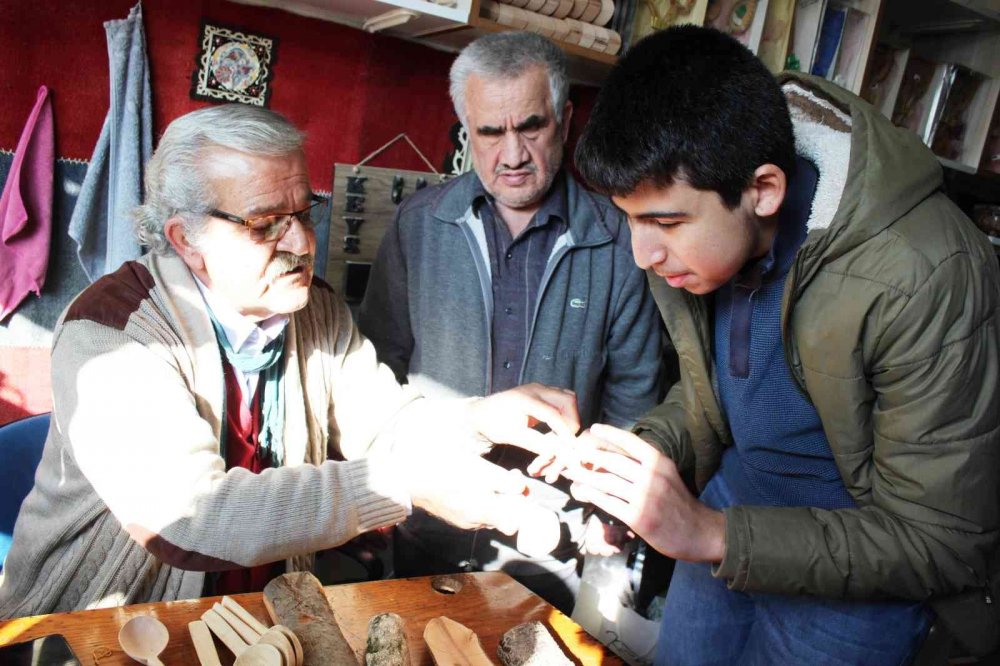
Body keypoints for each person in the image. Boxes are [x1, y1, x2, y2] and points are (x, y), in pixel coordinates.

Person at [0, 104, 583, 619]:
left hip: (264, 617)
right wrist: (404, 484)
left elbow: (385, 424)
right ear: (186, 241)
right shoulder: (113, 332)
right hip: (95, 626)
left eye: (303, 213)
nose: (302, 243)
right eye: (265, 225)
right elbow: (191, 519)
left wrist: (477, 418)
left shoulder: (315, 309)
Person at [565, 25, 1000, 665]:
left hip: (860, 584)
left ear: (764, 190)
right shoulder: (706, 238)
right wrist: (642, 464)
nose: (642, 253)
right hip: (728, 518)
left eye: (665, 223)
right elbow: (724, 392)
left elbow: (940, 541)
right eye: (629, 218)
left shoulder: (927, 274)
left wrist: (711, 534)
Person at [358, 31, 663, 613]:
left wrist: (609, 508)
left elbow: (636, 394)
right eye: (490, 133)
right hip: (431, 517)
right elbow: (376, 371)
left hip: (552, 533)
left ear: (566, 120)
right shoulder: (419, 225)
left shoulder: (620, 240)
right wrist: (386, 489)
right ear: (466, 132)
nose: (513, 154)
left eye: (531, 127)